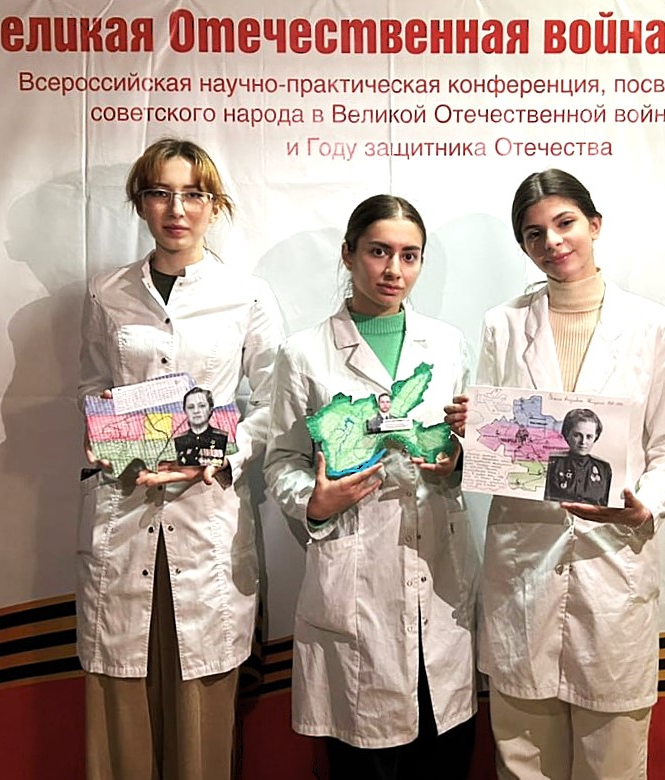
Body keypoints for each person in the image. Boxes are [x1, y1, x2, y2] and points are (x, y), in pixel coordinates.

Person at [445, 169, 665, 780]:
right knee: (523, 761)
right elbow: (502, 446)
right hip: (524, 564)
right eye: (534, 234)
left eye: (565, 224)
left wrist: (645, 504)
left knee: (611, 761)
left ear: (594, 224)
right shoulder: (503, 324)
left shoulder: (651, 326)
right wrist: (473, 428)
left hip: (611, 562)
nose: (553, 242)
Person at [78, 138, 283, 780]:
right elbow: (92, 386)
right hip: (126, 508)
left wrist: (220, 455)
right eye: (161, 193)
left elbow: (273, 404)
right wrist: (108, 439)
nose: (177, 209)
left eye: (193, 194)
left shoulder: (246, 296)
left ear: (214, 205)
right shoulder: (107, 293)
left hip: (206, 513)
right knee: (120, 702)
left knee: (201, 705)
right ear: (140, 202)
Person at [264, 195, 478, 779]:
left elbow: (468, 443)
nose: (394, 270)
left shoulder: (447, 345)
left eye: (410, 256)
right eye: (379, 252)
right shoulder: (303, 354)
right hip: (357, 577)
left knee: (443, 756)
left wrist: (457, 458)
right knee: (365, 762)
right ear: (348, 254)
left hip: (437, 576)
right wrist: (314, 502)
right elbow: (282, 459)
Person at [543, 407, 611, 505]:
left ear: (596, 437)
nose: (583, 442)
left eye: (589, 436)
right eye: (577, 435)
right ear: (567, 434)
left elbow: (605, 505)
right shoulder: (553, 463)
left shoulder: (603, 468)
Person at [173, 386, 229, 468]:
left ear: (210, 409)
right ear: (185, 411)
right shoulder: (177, 441)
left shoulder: (223, 438)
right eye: (191, 407)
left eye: (202, 406)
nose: (196, 411)